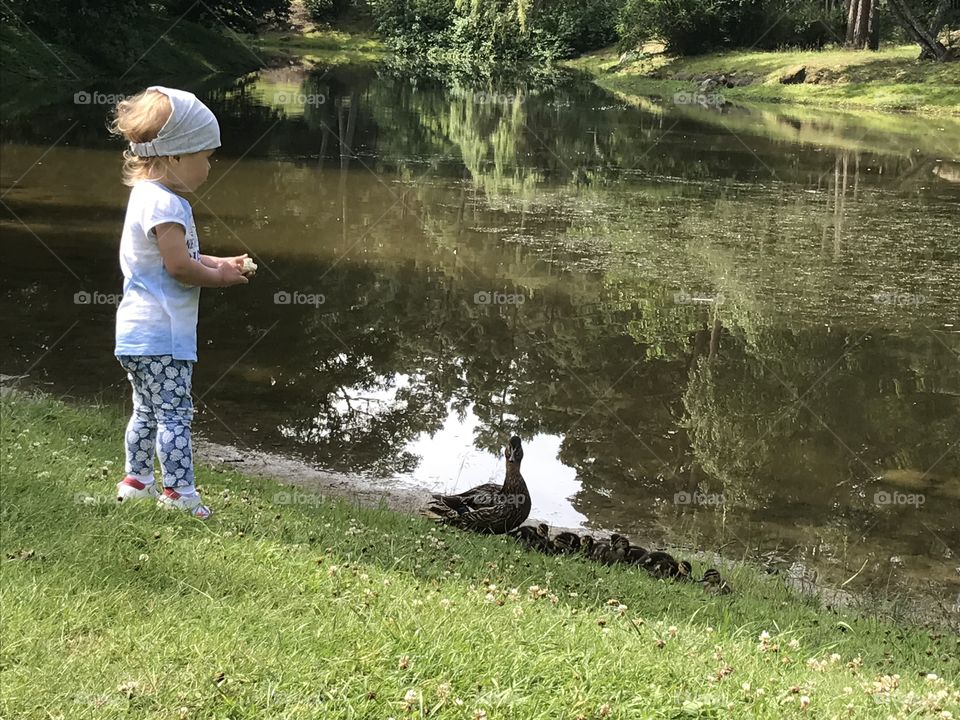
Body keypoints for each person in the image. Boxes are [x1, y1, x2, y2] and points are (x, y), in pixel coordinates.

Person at [109, 86, 250, 519]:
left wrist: (218, 260)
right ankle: (180, 494)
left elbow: (179, 256)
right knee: (175, 415)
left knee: (146, 411)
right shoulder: (169, 204)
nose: (209, 167)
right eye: (204, 157)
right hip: (164, 335)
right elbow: (180, 269)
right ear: (173, 157)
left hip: (134, 335)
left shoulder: (145, 196)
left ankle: (136, 481)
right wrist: (220, 278)